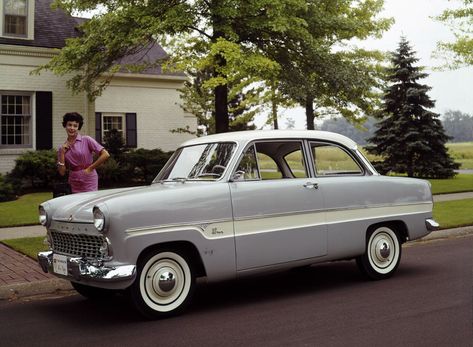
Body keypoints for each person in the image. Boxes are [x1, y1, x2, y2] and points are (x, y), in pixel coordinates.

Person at [57, 112, 110, 193]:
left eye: (75, 126)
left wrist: (90, 168)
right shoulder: (62, 148)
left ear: (78, 127)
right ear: (65, 126)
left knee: (89, 202)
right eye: (69, 125)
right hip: (73, 180)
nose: (72, 128)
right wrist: (62, 153)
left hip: (89, 178)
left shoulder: (86, 140)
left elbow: (105, 154)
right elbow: (62, 172)